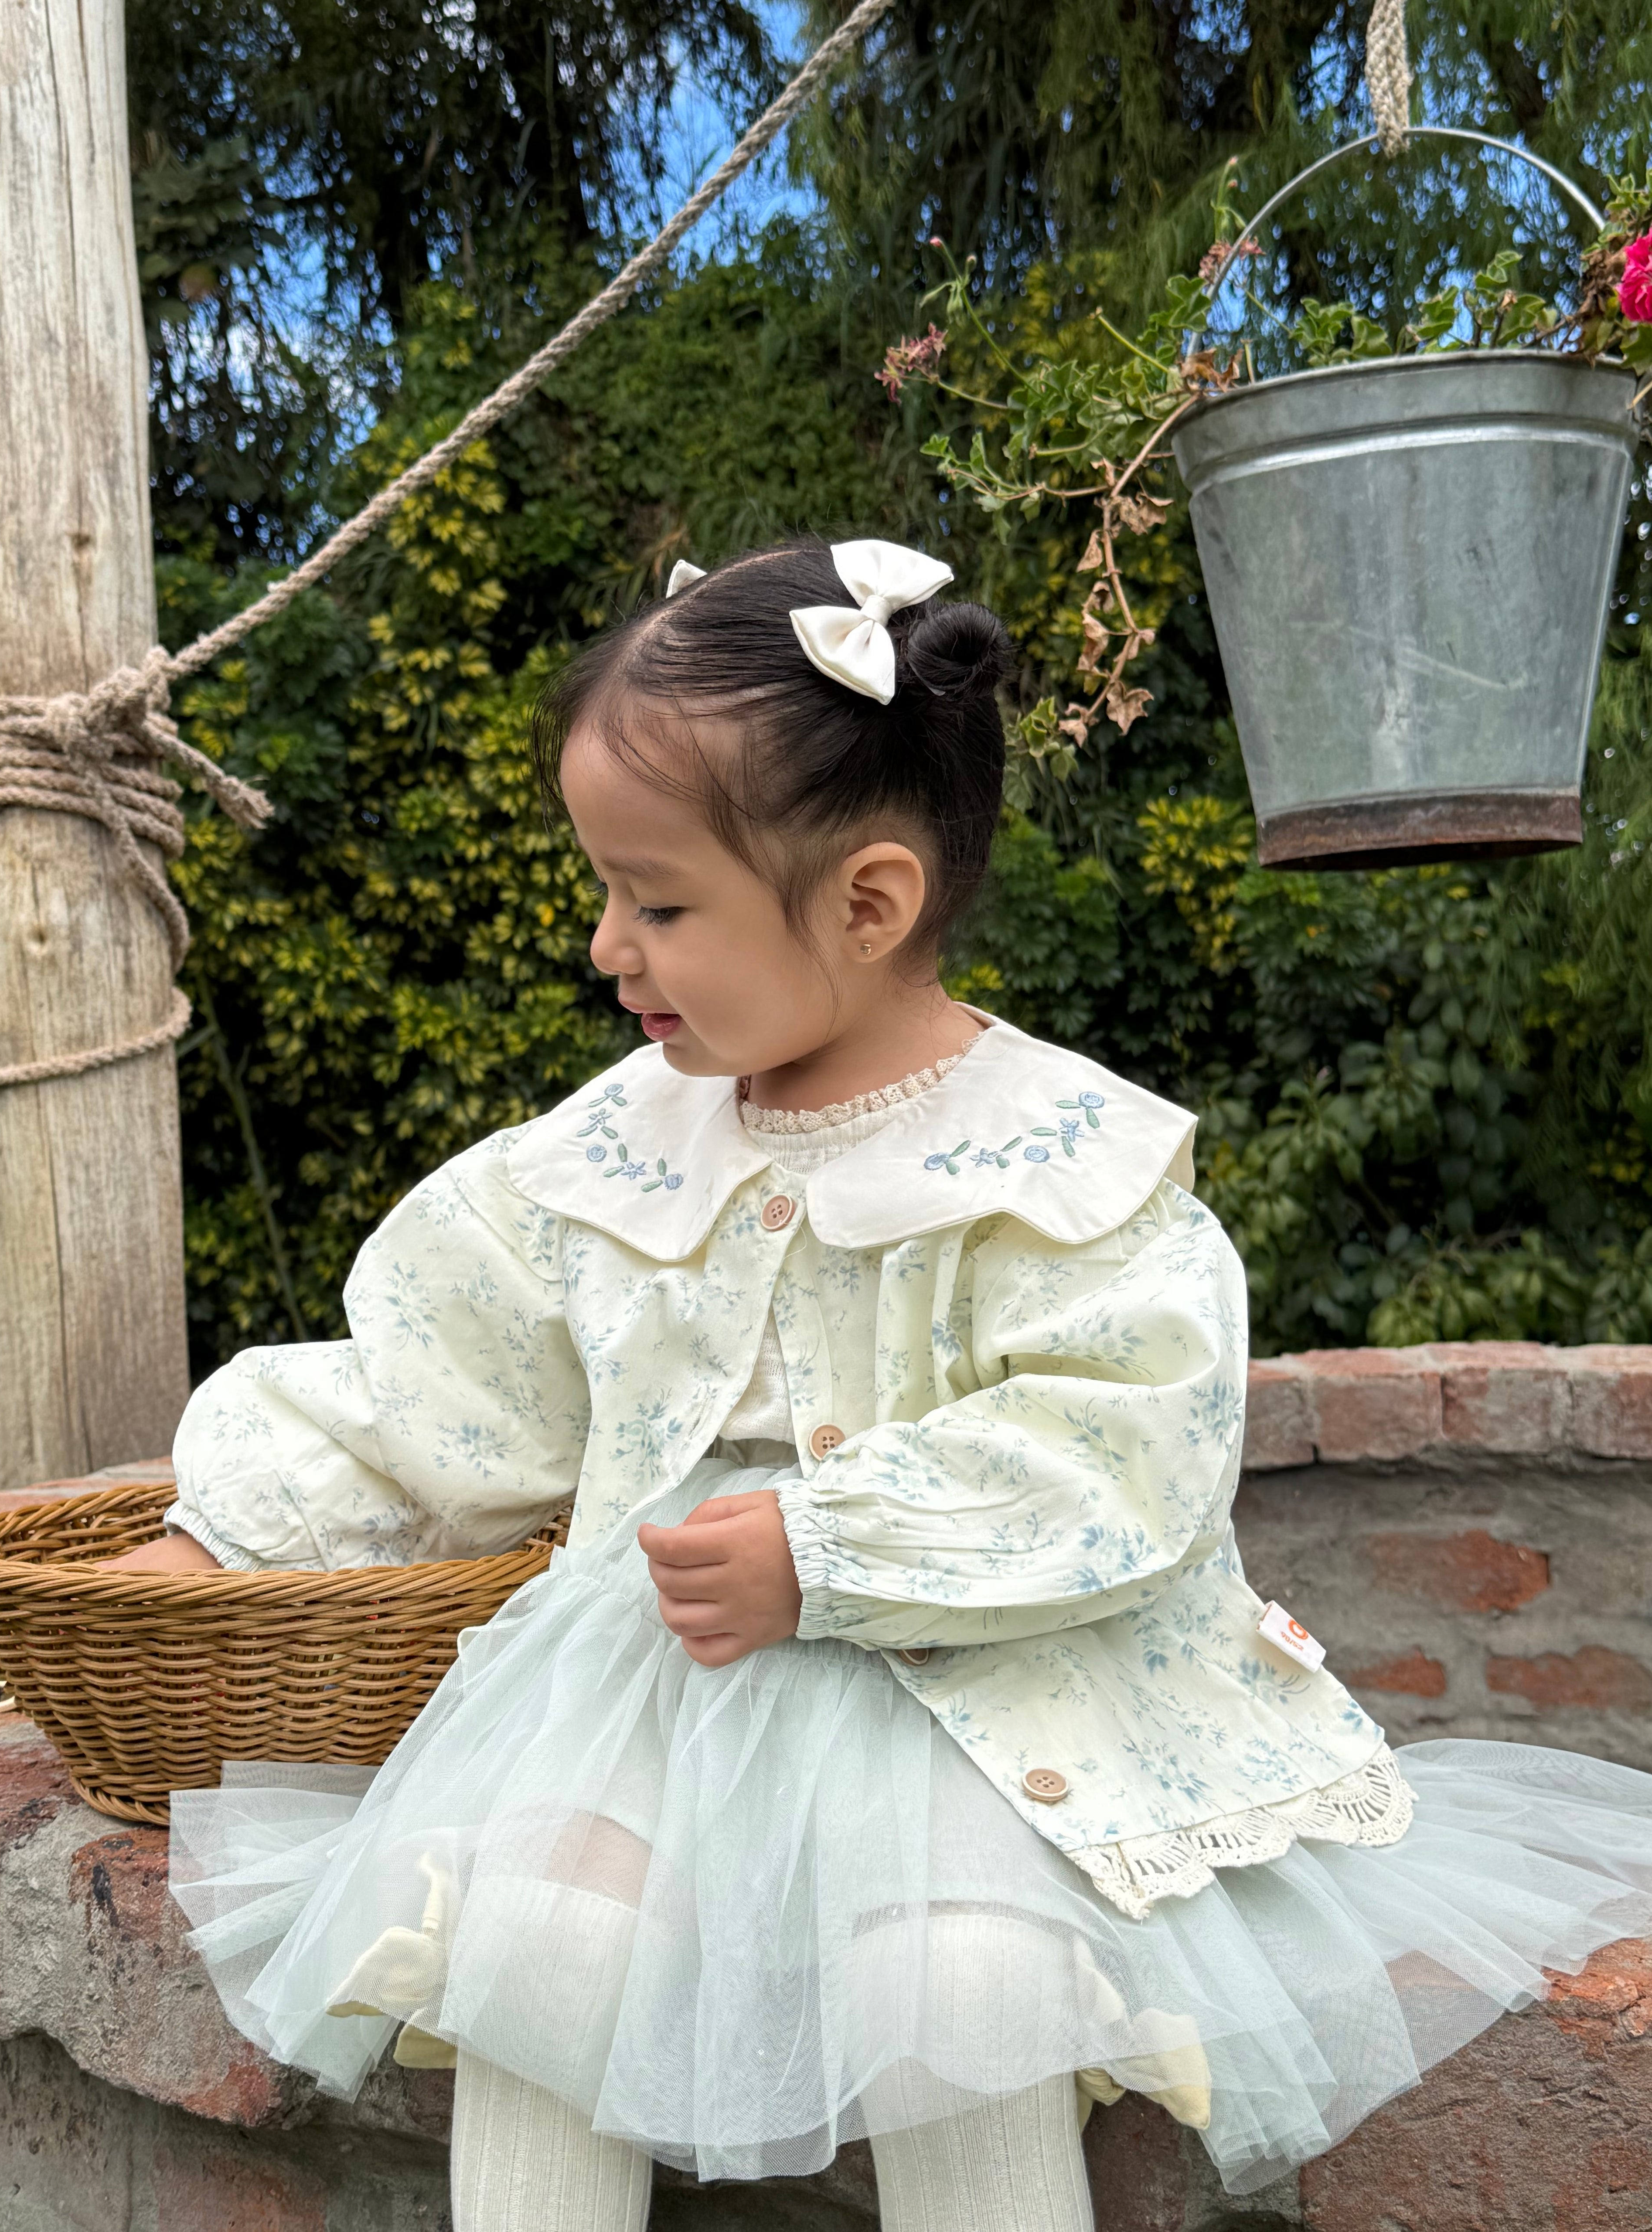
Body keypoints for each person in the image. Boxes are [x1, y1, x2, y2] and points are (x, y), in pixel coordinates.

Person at [133, 539, 1652, 2230]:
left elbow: (1125, 1439)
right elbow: (437, 1372)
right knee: (538, 1944)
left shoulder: (1047, 1155)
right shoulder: (616, 1153)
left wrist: (830, 1542)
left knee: (975, 1989)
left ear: (866, 902)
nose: (603, 944)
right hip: (647, 1702)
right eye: (610, 889)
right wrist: (233, 1524)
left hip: (974, 1701)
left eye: (659, 901)